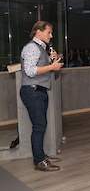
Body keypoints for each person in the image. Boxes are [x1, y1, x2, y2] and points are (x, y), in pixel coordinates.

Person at [20, 21, 63, 171]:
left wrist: (53, 62)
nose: (51, 36)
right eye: (48, 32)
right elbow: (30, 71)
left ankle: (41, 156)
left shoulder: (43, 48)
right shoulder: (32, 47)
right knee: (39, 126)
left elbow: (48, 71)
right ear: (38, 31)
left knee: (41, 125)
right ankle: (39, 161)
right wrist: (52, 67)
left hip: (39, 90)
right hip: (32, 91)